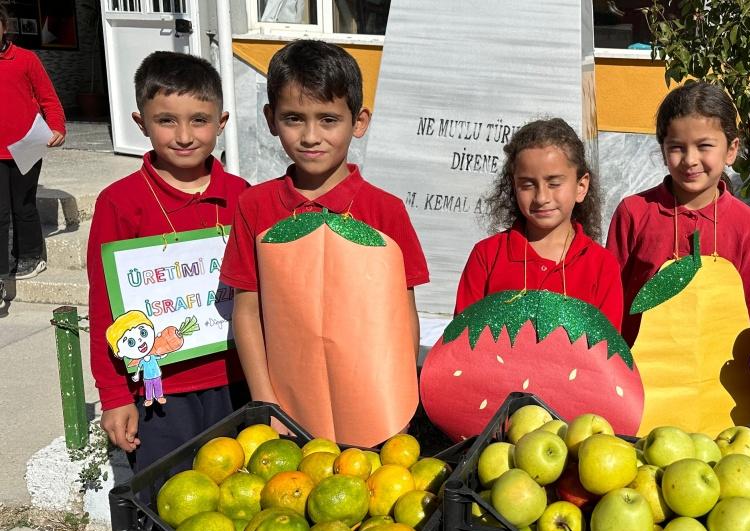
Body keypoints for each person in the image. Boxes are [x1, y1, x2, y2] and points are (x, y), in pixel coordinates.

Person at [221, 39, 429, 446]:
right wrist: (265, 404)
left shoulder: (386, 211)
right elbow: (246, 311)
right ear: (270, 118)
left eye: (328, 119)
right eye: (294, 118)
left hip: (374, 409)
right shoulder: (254, 206)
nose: (311, 136)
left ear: (359, 121)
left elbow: (402, 316)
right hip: (286, 416)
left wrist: (399, 403)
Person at [87, 51, 249, 472]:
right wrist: (115, 395)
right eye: (166, 121)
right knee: (168, 501)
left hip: (237, 378)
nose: (183, 135)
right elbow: (106, 306)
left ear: (221, 122)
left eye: (199, 120)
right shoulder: (120, 203)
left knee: (241, 495)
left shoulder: (243, 196)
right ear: (140, 122)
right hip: (158, 390)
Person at [606, 80, 750, 345]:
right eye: (677, 147)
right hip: (641, 373)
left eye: (704, 146)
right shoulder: (633, 213)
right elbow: (611, 302)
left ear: (732, 150)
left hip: (716, 376)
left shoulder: (749, 225)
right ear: (663, 150)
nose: (690, 159)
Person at [455, 118, 623, 330]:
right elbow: (462, 342)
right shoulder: (486, 257)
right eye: (527, 185)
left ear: (581, 186)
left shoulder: (602, 266)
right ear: (513, 187)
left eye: (554, 183)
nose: (541, 197)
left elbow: (605, 351)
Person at [0, 4, 65, 296]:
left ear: (4, 26)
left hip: (27, 144)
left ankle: (31, 255)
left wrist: (58, 128)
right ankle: (2, 269)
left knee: (23, 203)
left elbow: (48, 99)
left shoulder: (25, 59)